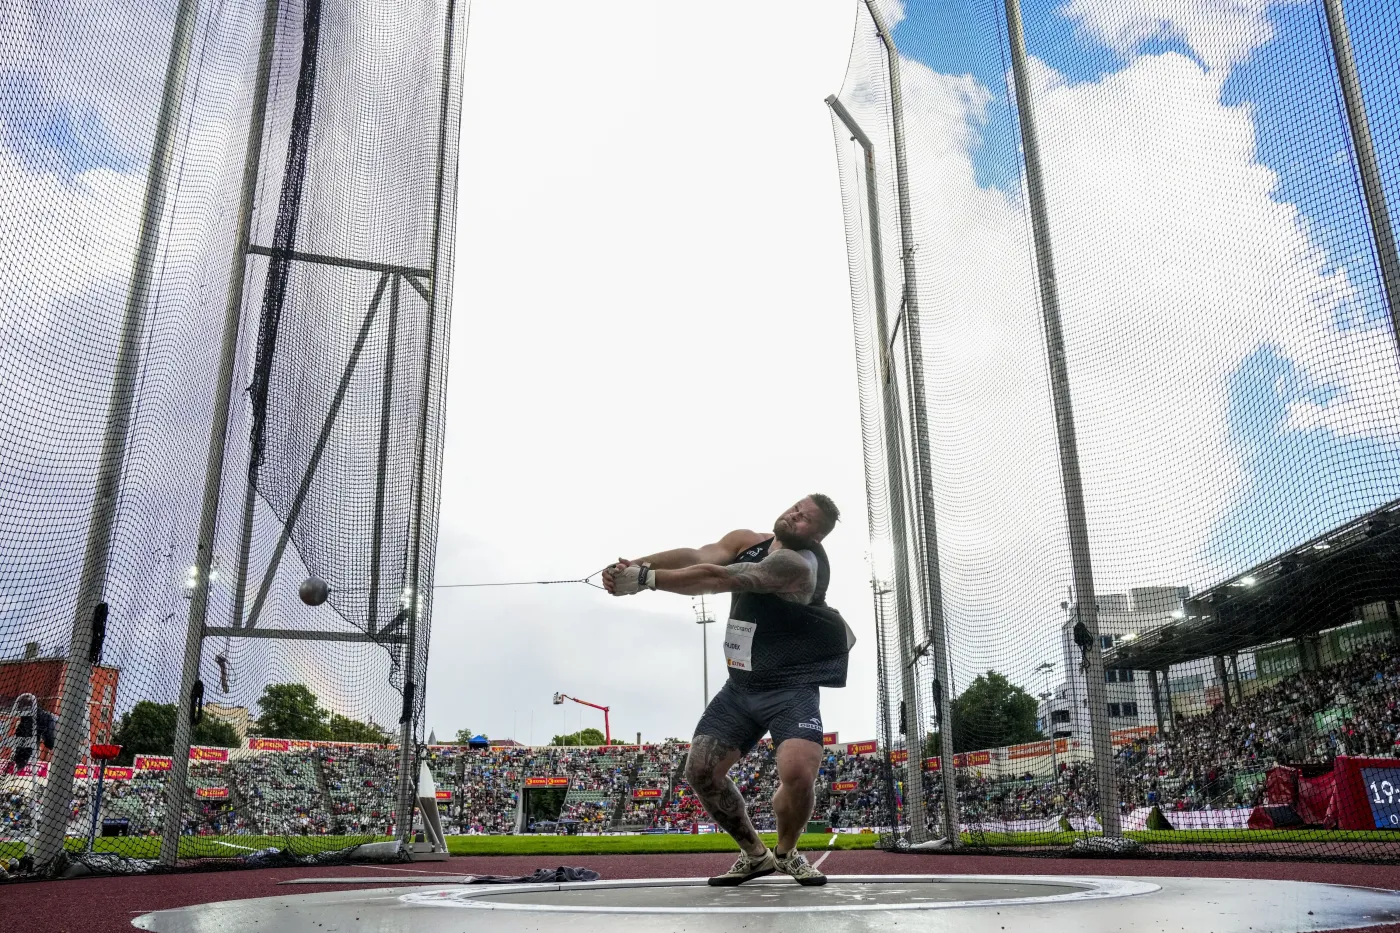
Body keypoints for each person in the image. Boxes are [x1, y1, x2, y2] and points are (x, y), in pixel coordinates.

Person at [605, 494, 853, 886]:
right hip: (742, 684)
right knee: (700, 771)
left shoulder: (797, 565)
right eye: (795, 508)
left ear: (817, 538)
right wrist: (635, 564)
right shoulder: (748, 540)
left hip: (791, 685)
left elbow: (724, 578)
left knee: (798, 772)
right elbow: (698, 554)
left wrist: (645, 581)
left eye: (805, 519)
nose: (794, 516)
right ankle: (756, 855)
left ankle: (786, 852)